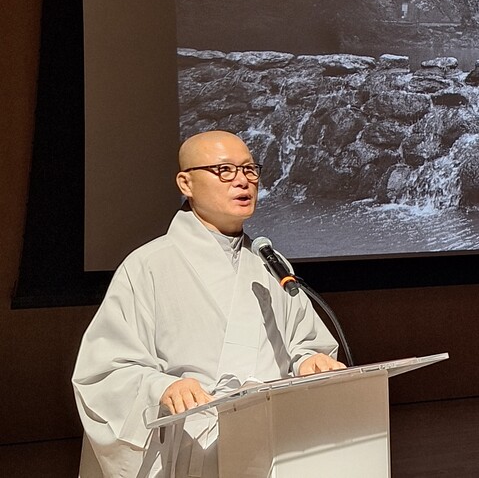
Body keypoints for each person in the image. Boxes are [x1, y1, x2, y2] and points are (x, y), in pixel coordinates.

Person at [72, 130, 345, 477]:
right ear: (186, 183)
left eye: (249, 170)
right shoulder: (148, 266)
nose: (243, 182)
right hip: (189, 444)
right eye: (225, 171)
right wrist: (163, 386)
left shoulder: (271, 265)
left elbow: (303, 344)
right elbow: (105, 371)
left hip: (269, 439)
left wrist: (310, 361)